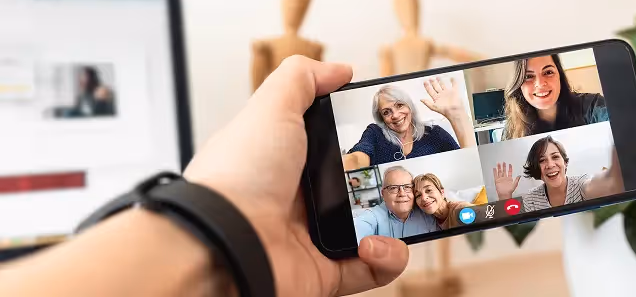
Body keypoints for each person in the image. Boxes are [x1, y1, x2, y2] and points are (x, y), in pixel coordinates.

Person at [0, 57, 409, 297]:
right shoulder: (373, 134)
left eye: (398, 108)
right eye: (385, 110)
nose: (394, 115)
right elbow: (357, 155)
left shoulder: (438, 133)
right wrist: (229, 216)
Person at [342, 77, 476, 170]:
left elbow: (468, 162)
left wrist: (458, 116)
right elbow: (358, 158)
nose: (395, 115)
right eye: (387, 112)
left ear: (409, 107)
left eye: (399, 105)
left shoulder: (434, 133)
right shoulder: (375, 133)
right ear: (381, 118)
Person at [492, 135, 624, 212]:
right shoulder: (531, 198)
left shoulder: (580, 184)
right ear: (537, 168)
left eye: (555, 157)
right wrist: (505, 196)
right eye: (542, 160)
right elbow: (512, 229)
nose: (550, 165)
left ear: (565, 163)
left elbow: (592, 186)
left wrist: (612, 179)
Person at [502, 54, 608, 140]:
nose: (540, 83)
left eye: (548, 72)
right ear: (519, 84)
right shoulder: (512, 129)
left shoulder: (593, 106)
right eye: (528, 76)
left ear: (559, 76)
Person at [353, 166, 438, 243]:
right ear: (383, 194)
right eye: (393, 188)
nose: (402, 193)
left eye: (407, 187)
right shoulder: (373, 216)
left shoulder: (427, 211)